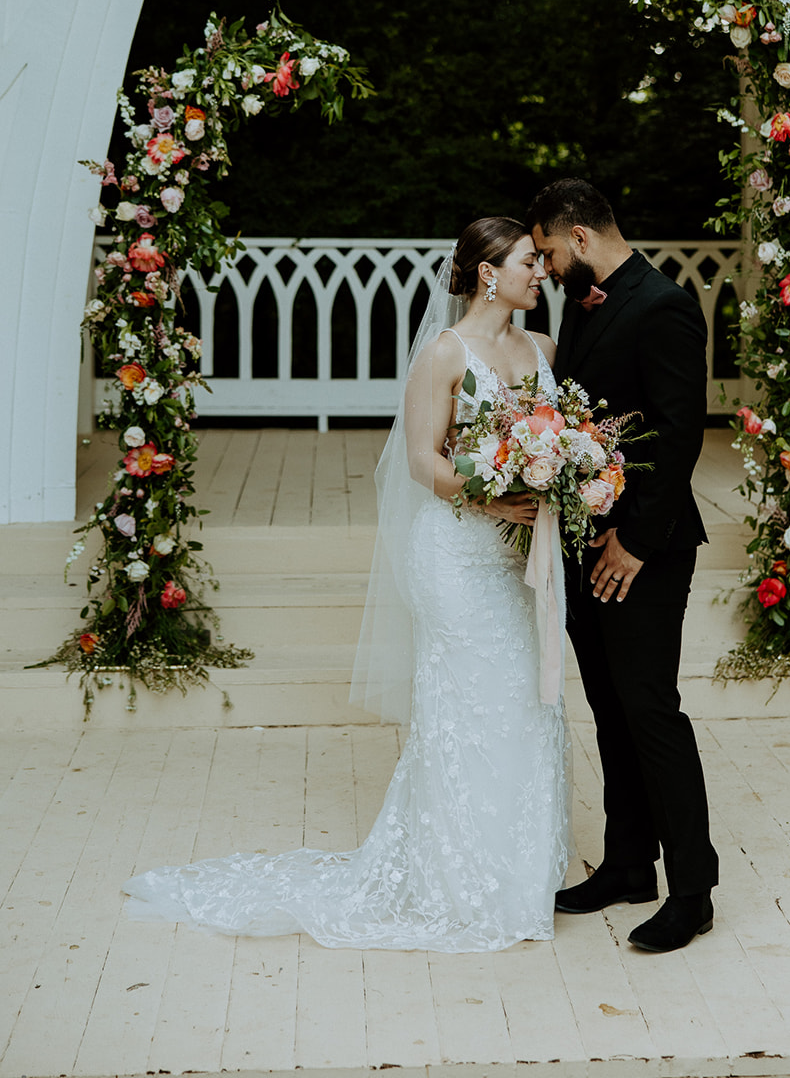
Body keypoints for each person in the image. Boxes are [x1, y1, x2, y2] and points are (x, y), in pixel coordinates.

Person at [122, 217, 571, 951]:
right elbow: (423, 463)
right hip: (456, 553)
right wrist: (491, 497)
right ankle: (453, 879)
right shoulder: (442, 354)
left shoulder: (544, 349)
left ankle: (515, 874)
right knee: (467, 706)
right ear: (488, 271)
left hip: (518, 552)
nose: (540, 271)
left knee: (525, 700)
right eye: (528, 260)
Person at [527, 178, 718, 953]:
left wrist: (634, 542)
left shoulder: (663, 305)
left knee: (650, 710)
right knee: (609, 710)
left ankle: (694, 891)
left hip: (648, 549)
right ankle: (628, 865)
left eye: (544, 249)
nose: (539, 266)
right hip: (583, 542)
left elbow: (679, 435)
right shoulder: (581, 303)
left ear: (577, 237)